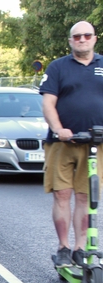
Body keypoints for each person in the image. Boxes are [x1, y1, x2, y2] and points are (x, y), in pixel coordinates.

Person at [40, 20, 103, 268]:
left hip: (96, 144)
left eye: (87, 35)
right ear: (70, 41)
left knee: (86, 197)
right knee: (62, 195)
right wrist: (59, 129)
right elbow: (48, 104)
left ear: (94, 38)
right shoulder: (58, 67)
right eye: (76, 37)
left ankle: (80, 249)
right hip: (62, 143)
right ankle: (64, 246)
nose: (82, 40)